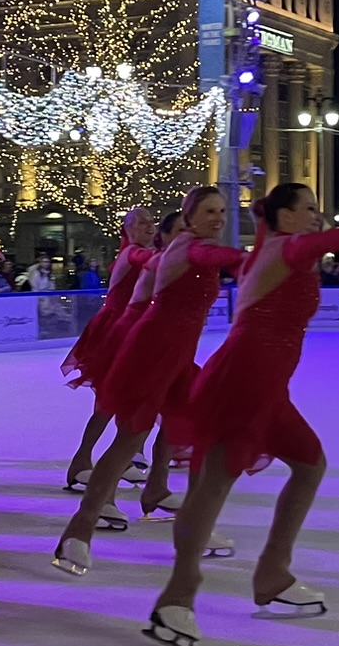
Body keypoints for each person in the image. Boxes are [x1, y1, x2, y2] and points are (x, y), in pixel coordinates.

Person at [143, 184, 339, 646]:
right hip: (245, 377)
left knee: (309, 464)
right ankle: (176, 597)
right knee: (214, 482)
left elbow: (307, 241)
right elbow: (320, 243)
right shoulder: (287, 248)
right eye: (308, 208)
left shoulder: (280, 246)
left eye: (318, 207)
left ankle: (273, 572)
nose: (317, 215)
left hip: (267, 382)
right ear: (287, 217)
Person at [53, 187, 242, 580]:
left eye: (223, 211)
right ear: (189, 216)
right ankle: (80, 528)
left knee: (190, 428)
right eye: (209, 211)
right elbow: (220, 257)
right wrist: (257, 258)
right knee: (129, 439)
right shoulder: (191, 248)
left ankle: (163, 497)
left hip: (173, 353)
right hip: (154, 350)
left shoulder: (191, 247)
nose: (219, 218)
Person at [59, 208, 158, 490]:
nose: (149, 225)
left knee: (126, 399)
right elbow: (150, 262)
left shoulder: (145, 252)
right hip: (115, 331)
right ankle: (83, 461)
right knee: (110, 401)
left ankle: (122, 458)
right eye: (141, 222)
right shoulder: (132, 253)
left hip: (135, 331)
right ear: (128, 230)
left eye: (151, 220)